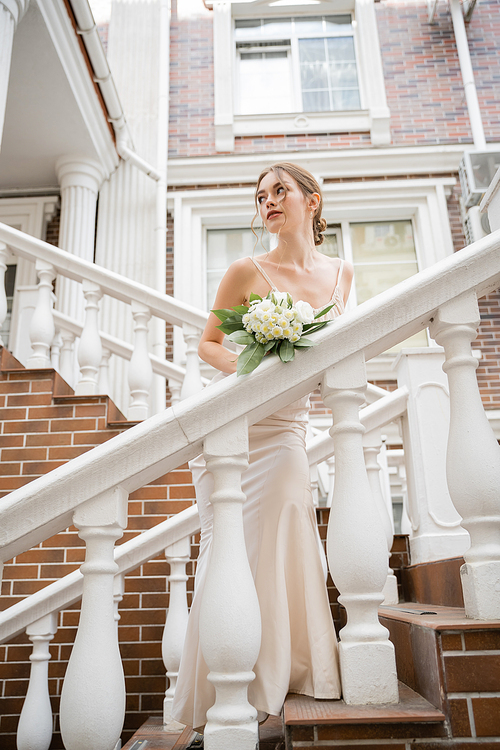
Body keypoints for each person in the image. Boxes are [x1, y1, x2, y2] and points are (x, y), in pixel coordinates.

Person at [171, 162, 353, 730]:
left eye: (280, 191)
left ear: (312, 200)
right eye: (261, 196)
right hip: (242, 428)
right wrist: (256, 368)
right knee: (233, 551)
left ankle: (293, 669)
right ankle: (229, 680)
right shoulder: (245, 270)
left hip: (290, 430)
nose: (268, 202)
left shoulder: (344, 274)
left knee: (289, 532)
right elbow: (208, 343)